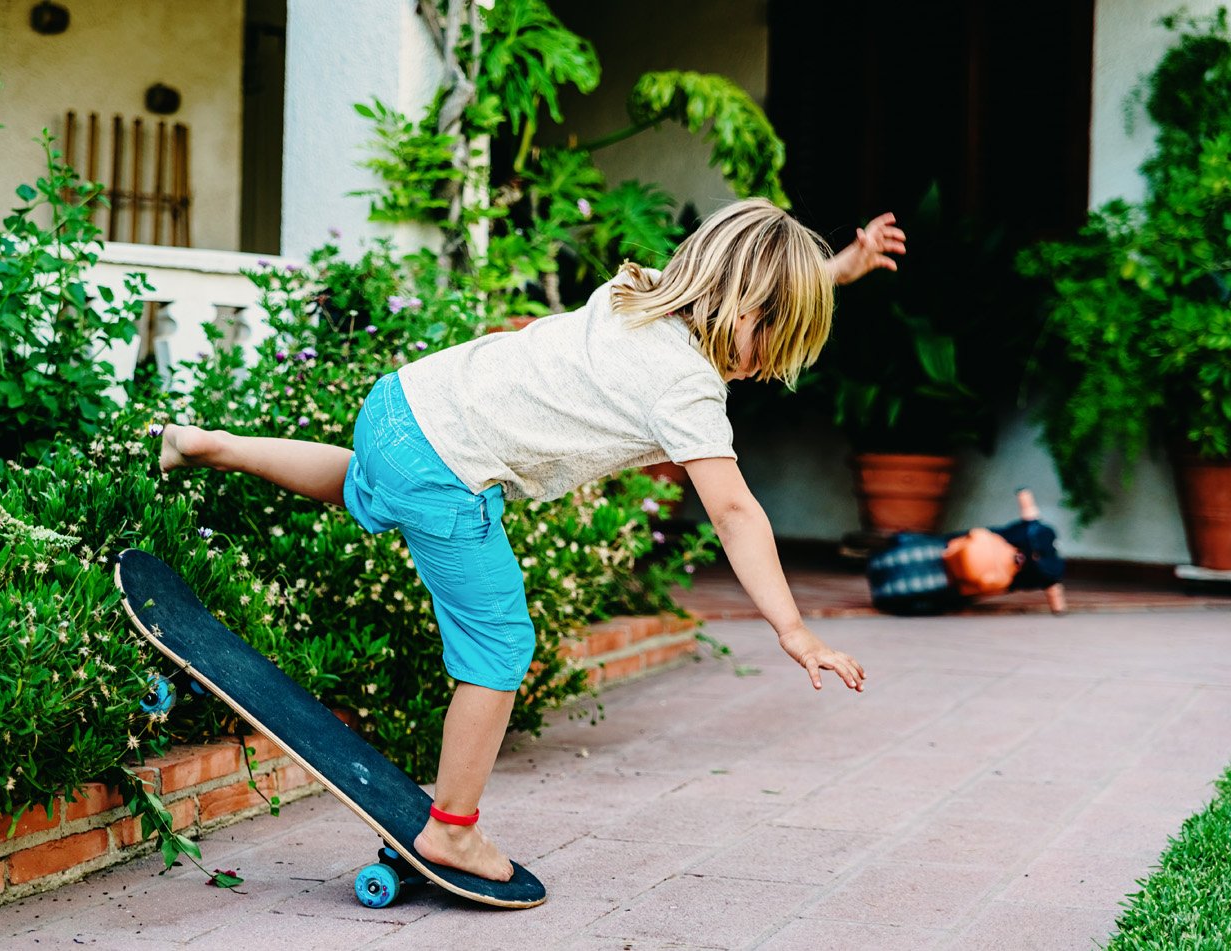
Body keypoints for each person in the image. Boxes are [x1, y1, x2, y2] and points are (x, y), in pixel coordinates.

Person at [157, 198, 904, 883]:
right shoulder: (686, 386)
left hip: (400, 405)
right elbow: (735, 512)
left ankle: (207, 443)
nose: (768, 369)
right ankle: (451, 828)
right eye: (776, 346)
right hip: (445, 471)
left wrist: (837, 268)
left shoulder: (633, 293)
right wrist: (794, 628)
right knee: (501, 647)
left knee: (363, 482)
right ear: (748, 312)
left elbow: (751, 281)